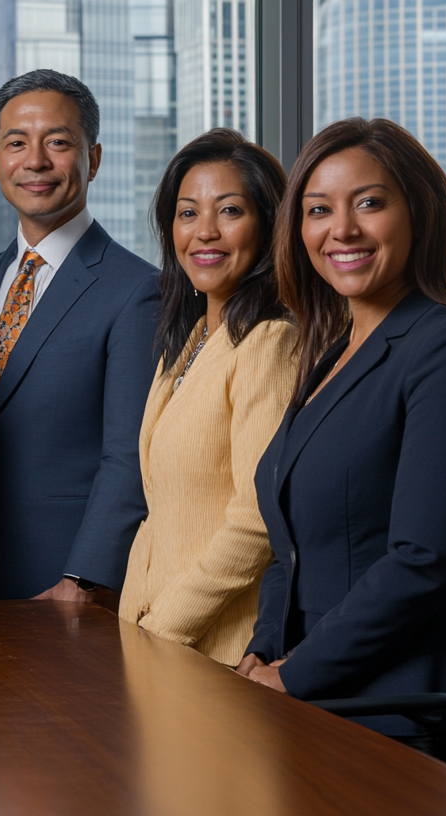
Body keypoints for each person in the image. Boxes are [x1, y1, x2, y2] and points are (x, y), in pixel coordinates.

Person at [236, 118, 446, 761]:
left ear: (417, 211)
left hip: (395, 699)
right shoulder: (329, 356)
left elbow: (426, 560)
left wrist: (293, 677)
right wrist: (262, 653)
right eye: (318, 210)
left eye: (370, 203)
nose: (343, 230)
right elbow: (288, 549)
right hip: (304, 686)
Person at [0, 69, 159, 602]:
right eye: (16, 143)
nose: (34, 161)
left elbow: (130, 456)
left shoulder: (138, 291)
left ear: (94, 158)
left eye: (58, 142)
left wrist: (85, 577)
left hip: (64, 582)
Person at [117, 129, 296, 666]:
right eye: (188, 213)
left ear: (268, 225)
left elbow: (257, 518)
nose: (206, 232)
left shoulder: (270, 340)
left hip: (218, 644)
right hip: (150, 636)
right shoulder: (190, 340)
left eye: (230, 211)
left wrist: (166, 627)